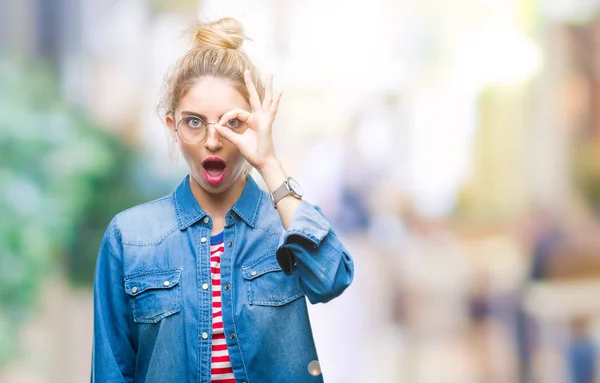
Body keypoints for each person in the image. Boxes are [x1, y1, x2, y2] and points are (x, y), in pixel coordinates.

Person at [91, 17, 354, 383]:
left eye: (232, 122)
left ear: (254, 125)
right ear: (172, 126)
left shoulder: (289, 225)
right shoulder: (129, 236)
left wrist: (269, 164)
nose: (212, 141)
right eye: (194, 122)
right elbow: (110, 370)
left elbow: (333, 278)